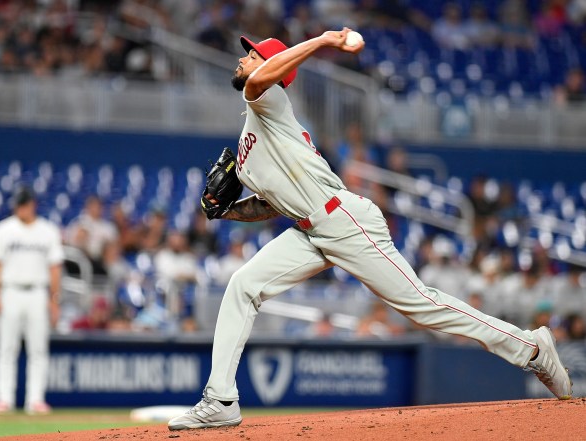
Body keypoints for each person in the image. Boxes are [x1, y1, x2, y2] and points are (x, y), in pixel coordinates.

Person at [167, 28, 572, 431]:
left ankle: (531, 347)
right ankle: (220, 399)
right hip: (309, 229)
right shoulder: (252, 139)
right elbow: (271, 203)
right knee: (243, 285)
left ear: (273, 68)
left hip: (344, 220)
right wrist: (227, 212)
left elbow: (260, 78)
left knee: (423, 305)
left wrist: (324, 40)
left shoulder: (267, 97)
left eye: (252, 54)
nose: (243, 58)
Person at [0, 186, 64, 415]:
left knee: (38, 349)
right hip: (10, 290)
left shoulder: (47, 231)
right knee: (6, 348)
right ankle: (4, 398)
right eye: (18, 204)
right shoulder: (4, 229)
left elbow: (55, 268)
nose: (21, 208)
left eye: (24, 204)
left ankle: (35, 399)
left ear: (33, 205)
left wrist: (54, 300)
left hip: (38, 292)